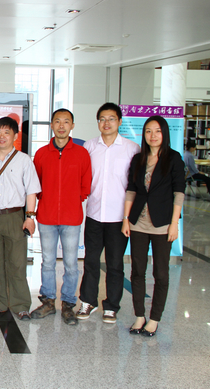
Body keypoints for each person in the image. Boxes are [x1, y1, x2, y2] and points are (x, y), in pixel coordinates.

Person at [77, 103, 140, 324]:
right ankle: (88, 301)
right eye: (102, 119)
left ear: (120, 121)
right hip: (94, 214)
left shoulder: (132, 149)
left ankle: (111, 306)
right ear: (98, 122)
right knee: (90, 261)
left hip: (119, 218)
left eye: (111, 118)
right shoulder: (89, 146)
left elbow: (135, 185)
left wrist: (129, 217)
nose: (107, 123)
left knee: (115, 264)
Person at [122, 115, 184, 337]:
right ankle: (139, 316)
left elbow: (179, 192)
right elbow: (131, 190)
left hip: (162, 224)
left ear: (164, 133)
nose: (153, 135)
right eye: (148, 131)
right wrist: (126, 219)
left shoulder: (173, 158)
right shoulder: (138, 159)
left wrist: (174, 224)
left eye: (157, 131)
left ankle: (155, 319)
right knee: (137, 271)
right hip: (138, 223)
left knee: (161, 273)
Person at [31, 108, 91, 325]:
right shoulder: (41, 153)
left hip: (71, 217)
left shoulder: (81, 153)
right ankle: (48, 301)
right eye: (57, 121)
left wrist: (75, 199)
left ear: (72, 125)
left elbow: (86, 183)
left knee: (71, 264)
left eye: (66, 121)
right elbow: (35, 183)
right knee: (47, 261)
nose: (62, 125)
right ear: (52, 125)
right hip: (46, 216)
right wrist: (45, 200)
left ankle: (68, 304)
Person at [0, 117, 41, 321]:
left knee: (17, 263)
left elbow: (32, 191)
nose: (2, 136)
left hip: (15, 216)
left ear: (15, 136)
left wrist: (30, 217)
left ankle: (21, 304)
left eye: (7, 132)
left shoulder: (24, 160)